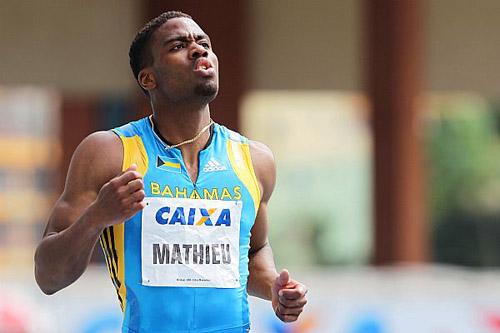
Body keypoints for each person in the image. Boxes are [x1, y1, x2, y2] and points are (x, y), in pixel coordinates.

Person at [34, 11, 307, 332]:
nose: (199, 50)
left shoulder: (254, 160)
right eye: (178, 45)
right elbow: (48, 277)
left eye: (204, 43)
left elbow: (254, 251)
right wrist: (97, 216)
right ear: (148, 78)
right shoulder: (109, 153)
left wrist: (275, 288)